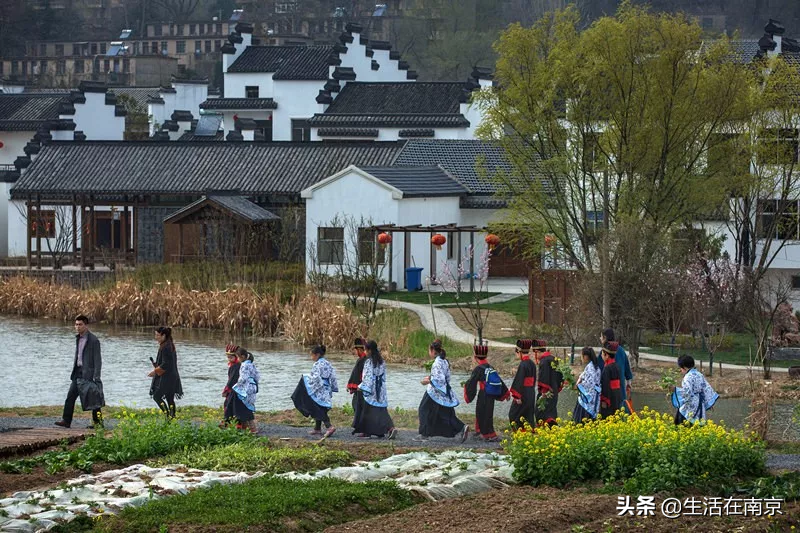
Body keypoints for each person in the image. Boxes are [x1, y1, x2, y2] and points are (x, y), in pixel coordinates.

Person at [56, 315, 104, 429]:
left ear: (86, 325)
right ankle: (66, 421)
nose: (77, 327)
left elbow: (98, 360)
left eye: (80, 324)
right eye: (76, 324)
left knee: (93, 399)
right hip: (77, 372)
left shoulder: (94, 340)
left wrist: (96, 377)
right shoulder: (78, 338)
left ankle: (98, 423)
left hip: (89, 374)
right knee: (70, 396)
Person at [417, 340, 469, 442]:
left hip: (434, 393)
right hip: (444, 392)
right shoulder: (445, 361)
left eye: (429, 350)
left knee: (423, 410)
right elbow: (447, 378)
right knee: (445, 414)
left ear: (432, 351)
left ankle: (424, 434)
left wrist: (427, 380)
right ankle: (462, 427)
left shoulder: (437, 363)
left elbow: (438, 379)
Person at [352, 340, 398, 439]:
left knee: (369, 411)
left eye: (365, 350)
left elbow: (367, 377)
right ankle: (381, 431)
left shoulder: (369, 362)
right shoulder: (381, 361)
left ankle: (386, 429)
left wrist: (362, 387)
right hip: (380, 389)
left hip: (371, 390)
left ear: (368, 350)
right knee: (381, 410)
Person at [291, 345, 338, 438]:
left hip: (319, 389)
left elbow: (315, 378)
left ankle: (329, 426)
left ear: (317, 355)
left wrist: (308, 383)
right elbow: (333, 376)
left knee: (318, 407)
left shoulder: (316, 364)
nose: (311, 357)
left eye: (311, 355)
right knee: (321, 406)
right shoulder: (328, 363)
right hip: (326, 388)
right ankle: (317, 428)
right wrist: (333, 388)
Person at [464, 347, 509, 441]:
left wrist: (466, 387)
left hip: (483, 393)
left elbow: (471, 382)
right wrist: (506, 393)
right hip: (491, 395)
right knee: (488, 413)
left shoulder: (478, 369)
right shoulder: (490, 367)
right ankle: (486, 432)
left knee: (481, 412)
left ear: (475, 357)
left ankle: (486, 434)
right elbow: (499, 380)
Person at [672, 355, 719, 425]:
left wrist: (674, 389)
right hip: (700, 405)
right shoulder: (699, 374)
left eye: (681, 368)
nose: (680, 370)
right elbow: (706, 388)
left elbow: (687, 393)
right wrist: (709, 403)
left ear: (684, 367)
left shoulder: (687, 377)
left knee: (683, 423)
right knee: (698, 424)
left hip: (690, 405)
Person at [148, 326, 183, 420]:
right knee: (169, 398)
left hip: (168, 378)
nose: (156, 337)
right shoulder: (168, 345)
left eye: (157, 335)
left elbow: (166, 364)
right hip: (172, 376)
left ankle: (168, 415)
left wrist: (155, 371)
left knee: (157, 396)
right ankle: (172, 417)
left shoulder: (166, 347)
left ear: (163, 335)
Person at [601, 328, 633, 412]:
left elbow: (598, 370)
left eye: (601, 337)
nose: (600, 339)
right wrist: (629, 385)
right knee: (621, 409)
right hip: (620, 387)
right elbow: (628, 371)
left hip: (608, 390)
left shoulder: (605, 351)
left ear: (604, 337)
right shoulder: (621, 350)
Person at [509, 339, 537, 430]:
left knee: (513, 415)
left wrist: (517, 396)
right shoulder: (532, 363)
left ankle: (520, 435)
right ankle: (528, 434)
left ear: (519, 352)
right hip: (531, 393)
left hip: (523, 393)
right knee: (528, 415)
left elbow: (519, 380)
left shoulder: (523, 364)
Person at [232, 347, 260, 433]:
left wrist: (236, 386)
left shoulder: (244, 365)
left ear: (243, 357)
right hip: (252, 388)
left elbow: (243, 378)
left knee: (244, 408)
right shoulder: (251, 364)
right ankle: (246, 427)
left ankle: (252, 428)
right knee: (247, 406)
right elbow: (257, 376)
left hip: (246, 388)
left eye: (238, 357)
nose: (238, 359)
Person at [535, 340, 563, 427]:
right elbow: (560, 376)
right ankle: (553, 431)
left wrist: (543, 392)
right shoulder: (554, 359)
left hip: (546, 392)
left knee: (542, 412)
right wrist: (557, 388)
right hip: (554, 390)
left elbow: (544, 378)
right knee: (551, 411)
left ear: (538, 352)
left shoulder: (544, 361)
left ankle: (547, 430)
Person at [573, 347, 601, 423]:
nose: (581, 357)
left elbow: (588, 384)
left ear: (586, 356)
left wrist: (578, 385)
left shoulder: (591, 368)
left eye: (581, 355)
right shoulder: (595, 367)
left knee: (582, 421)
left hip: (587, 400)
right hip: (593, 398)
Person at [347, 337, 367, 430]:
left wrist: (353, 386)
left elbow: (358, 375)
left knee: (357, 405)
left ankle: (361, 426)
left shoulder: (362, 360)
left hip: (361, 388)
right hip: (362, 388)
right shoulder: (364, 359)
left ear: (359, 349)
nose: (354, 352)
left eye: (355, 350)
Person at [599, 342, 623, 418]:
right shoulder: (617, 366)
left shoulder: (607, 368)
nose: (601, 356)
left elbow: (605, 386)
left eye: (602, 354)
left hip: (609, 399)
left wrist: (604, 400)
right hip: (617, 397)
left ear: (606, 355)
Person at [221, 344, 240, 427]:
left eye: (231, 357)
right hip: (235, 389)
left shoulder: (236, 367)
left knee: (229, 405)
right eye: (228, 357)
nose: (229, 359)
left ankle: (228, 422)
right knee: (229, 405)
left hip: (234, 389)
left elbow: (232, 380)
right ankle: (230, 422)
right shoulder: (234, 366)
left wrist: (226, 389)